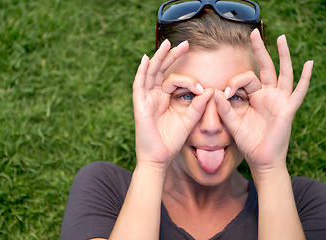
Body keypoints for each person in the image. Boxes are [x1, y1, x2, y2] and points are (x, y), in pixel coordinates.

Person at [60, 0, 326, 239]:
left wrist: (270, 171)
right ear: (157, 98)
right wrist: (152, 165)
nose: (211, 125)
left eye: (234, 98)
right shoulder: (106, 189)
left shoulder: (304, 203)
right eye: (187, 96)